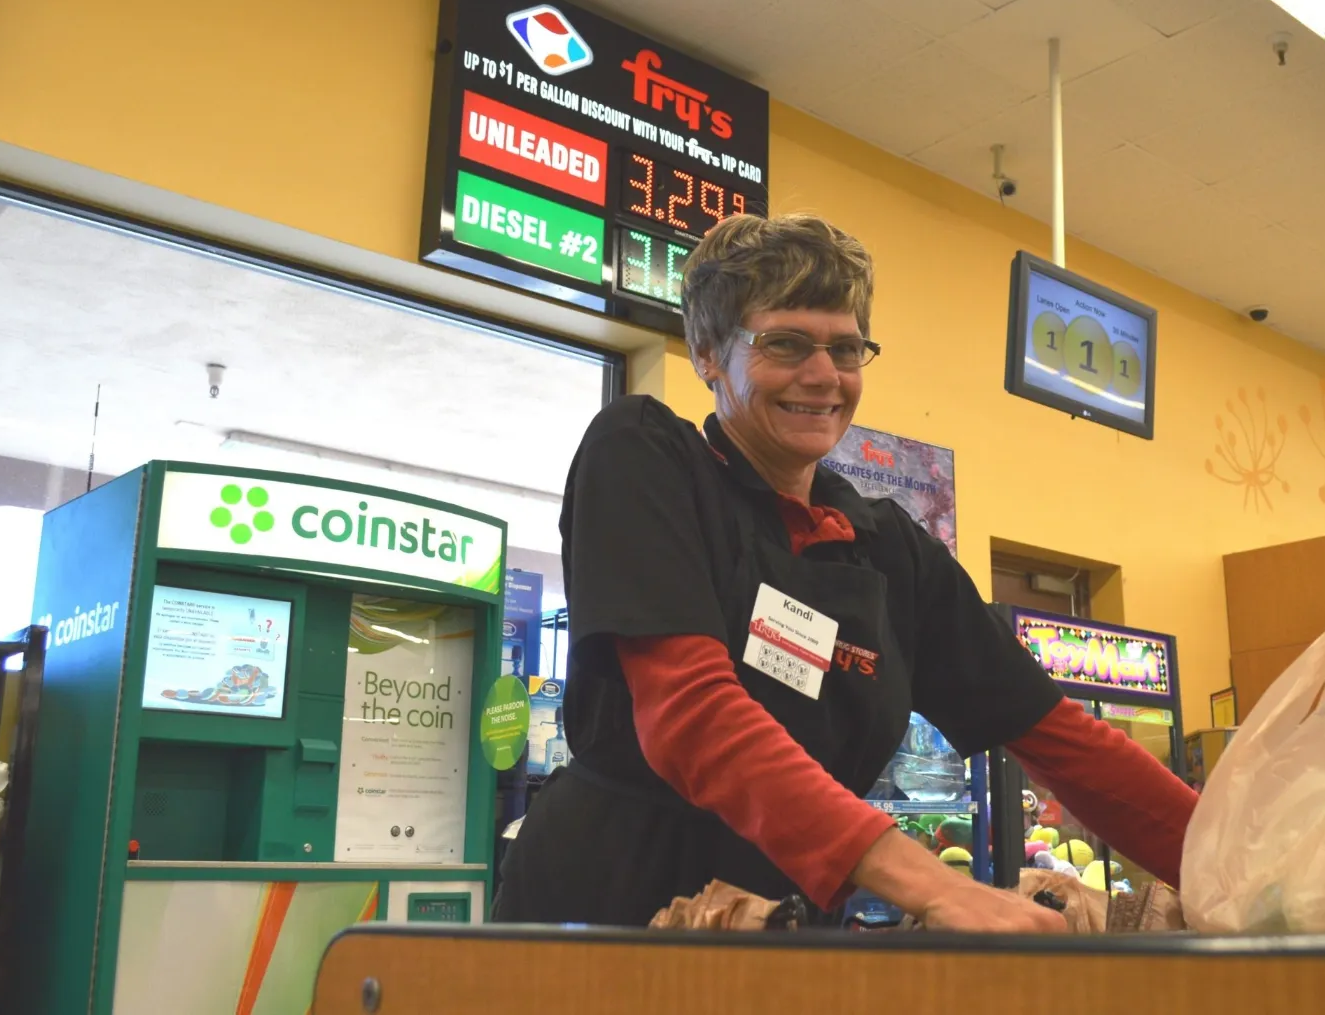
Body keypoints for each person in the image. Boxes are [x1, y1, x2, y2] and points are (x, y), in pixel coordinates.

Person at [494, 213, 1197, 931]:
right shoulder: (643, 456)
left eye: (846, 347)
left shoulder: (893, 550)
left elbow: (1064, 742)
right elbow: (691, 715)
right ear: (708, 353)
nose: (824, 375)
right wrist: (936, 885)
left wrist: (1243, 863)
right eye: (787, 343)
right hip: (606, 924)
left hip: (788, 936)